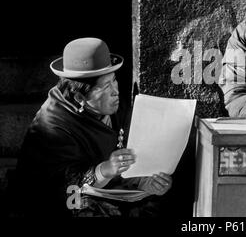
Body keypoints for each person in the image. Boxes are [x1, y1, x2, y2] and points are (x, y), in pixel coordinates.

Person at [12, 38, 172, 217]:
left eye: (114, 81)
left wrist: (145, 184)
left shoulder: (114, 105)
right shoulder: (53, 125)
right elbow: (66, 188)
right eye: (105, 86)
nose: (115, 91)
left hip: (107, 194)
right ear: (80, 98)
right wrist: (106, 169)